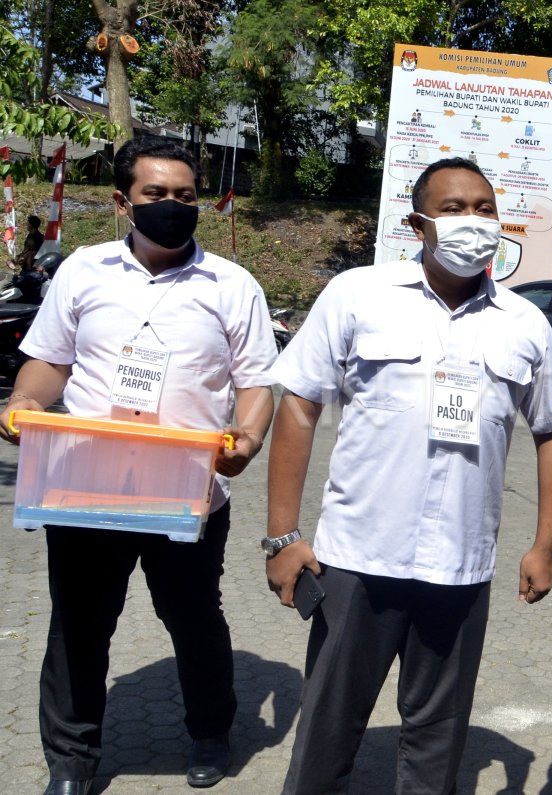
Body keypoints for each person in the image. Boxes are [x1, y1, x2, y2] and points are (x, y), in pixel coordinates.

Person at [265, 157, 552, 794]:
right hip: (356, 560)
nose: (473, 221)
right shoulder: (359, 294)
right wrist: (281, 537)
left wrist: (545, 545)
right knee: (329, 726)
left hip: (460, 569)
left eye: (485, 209)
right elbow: (299, 405)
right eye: (454, 209)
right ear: (418, 223)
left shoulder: (524, 323)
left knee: (436, 736)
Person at [0, 137, 277, 795]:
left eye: (185, 196)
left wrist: (249, 435)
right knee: (79, 625)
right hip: (87, 487)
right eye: (157, 195)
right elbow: (50, 360)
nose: (173, 207)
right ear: (125, 201)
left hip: (186, 493)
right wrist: (24, 398)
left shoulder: (231, 286)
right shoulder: (84, 272)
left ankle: (210, 730)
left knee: (194, 618)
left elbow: (258, 380)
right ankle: (71, 759)